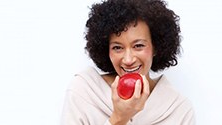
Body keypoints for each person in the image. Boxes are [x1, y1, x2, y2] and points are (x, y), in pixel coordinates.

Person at [61, 0, 195, 124]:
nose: (128, 60)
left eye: (138, 46)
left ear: (156, 47)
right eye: (117, 48)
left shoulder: (179, 109)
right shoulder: (84, 91)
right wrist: (119, 118)